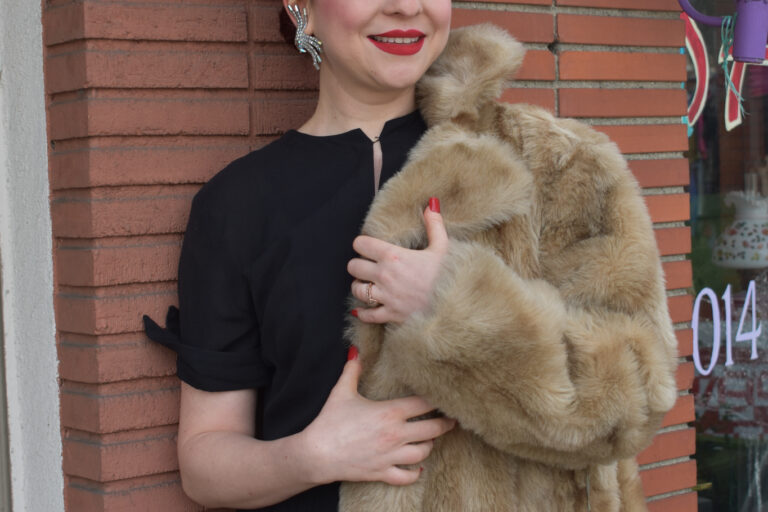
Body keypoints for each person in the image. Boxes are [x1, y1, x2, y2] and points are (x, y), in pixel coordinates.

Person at [144, 0, 678, 511]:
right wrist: (311, 456)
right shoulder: (238, 204)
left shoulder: (555, 163)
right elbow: (205, 463)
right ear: (300, 7)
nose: (406, 6)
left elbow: (636, 400)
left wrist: (455, 308)